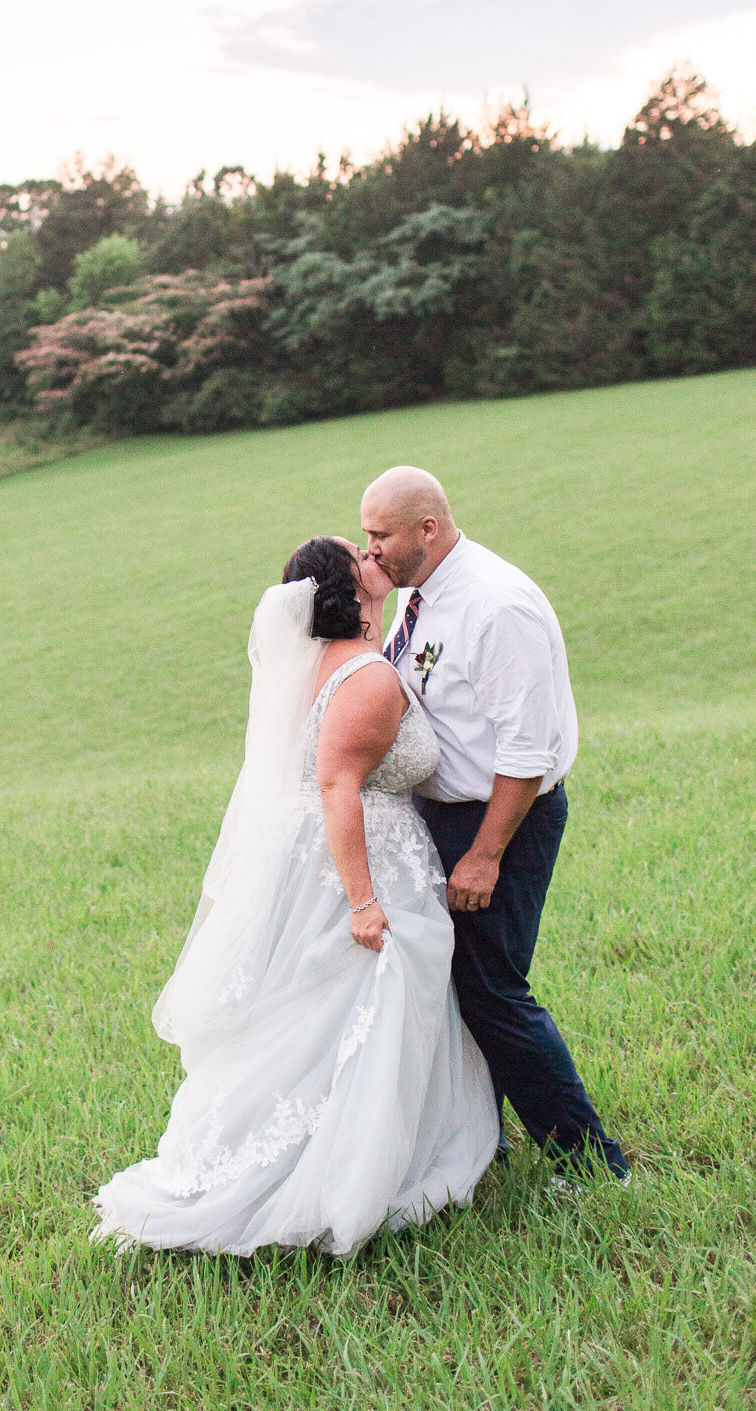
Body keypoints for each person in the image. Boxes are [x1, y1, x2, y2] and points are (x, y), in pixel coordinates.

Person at [92, 536, 498, 1256]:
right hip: (360, 864)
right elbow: (337, 786)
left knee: (332, 1014)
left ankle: (381, 1149)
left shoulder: (317, 665)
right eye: (362, 555)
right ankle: (327, 1179)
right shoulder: (367, 677)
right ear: (351, 591)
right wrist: (363, 902)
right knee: (354, 1012)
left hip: (322, 858)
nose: (377, 555)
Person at [361, 465, 629, 1179]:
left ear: (428, 527)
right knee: (447, 985)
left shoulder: (494, 604)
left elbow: (525, 750)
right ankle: (480, 1140)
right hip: (437, 815)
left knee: (490, 988)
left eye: (380, 535)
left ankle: (589, 1161)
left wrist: (483, 854)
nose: (370, 550)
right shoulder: (415, 595)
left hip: (501, 820)